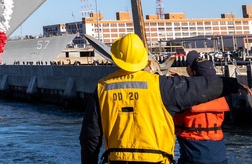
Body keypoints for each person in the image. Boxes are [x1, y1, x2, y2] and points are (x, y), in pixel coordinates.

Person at [79, 33, 240, 164]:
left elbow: (90, 137)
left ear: (116, 58)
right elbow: (201, 88)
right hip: (157, 159)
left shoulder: (103, 88)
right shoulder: (161, 85)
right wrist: (233, 84)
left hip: (117, 160)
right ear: (143, 58)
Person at [173, 51, 230, 164]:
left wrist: (175, 84)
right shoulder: (219, 94)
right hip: (219, 155)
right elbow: (200, 89)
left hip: (192, 156)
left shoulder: (185, 97)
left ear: (193, 72)